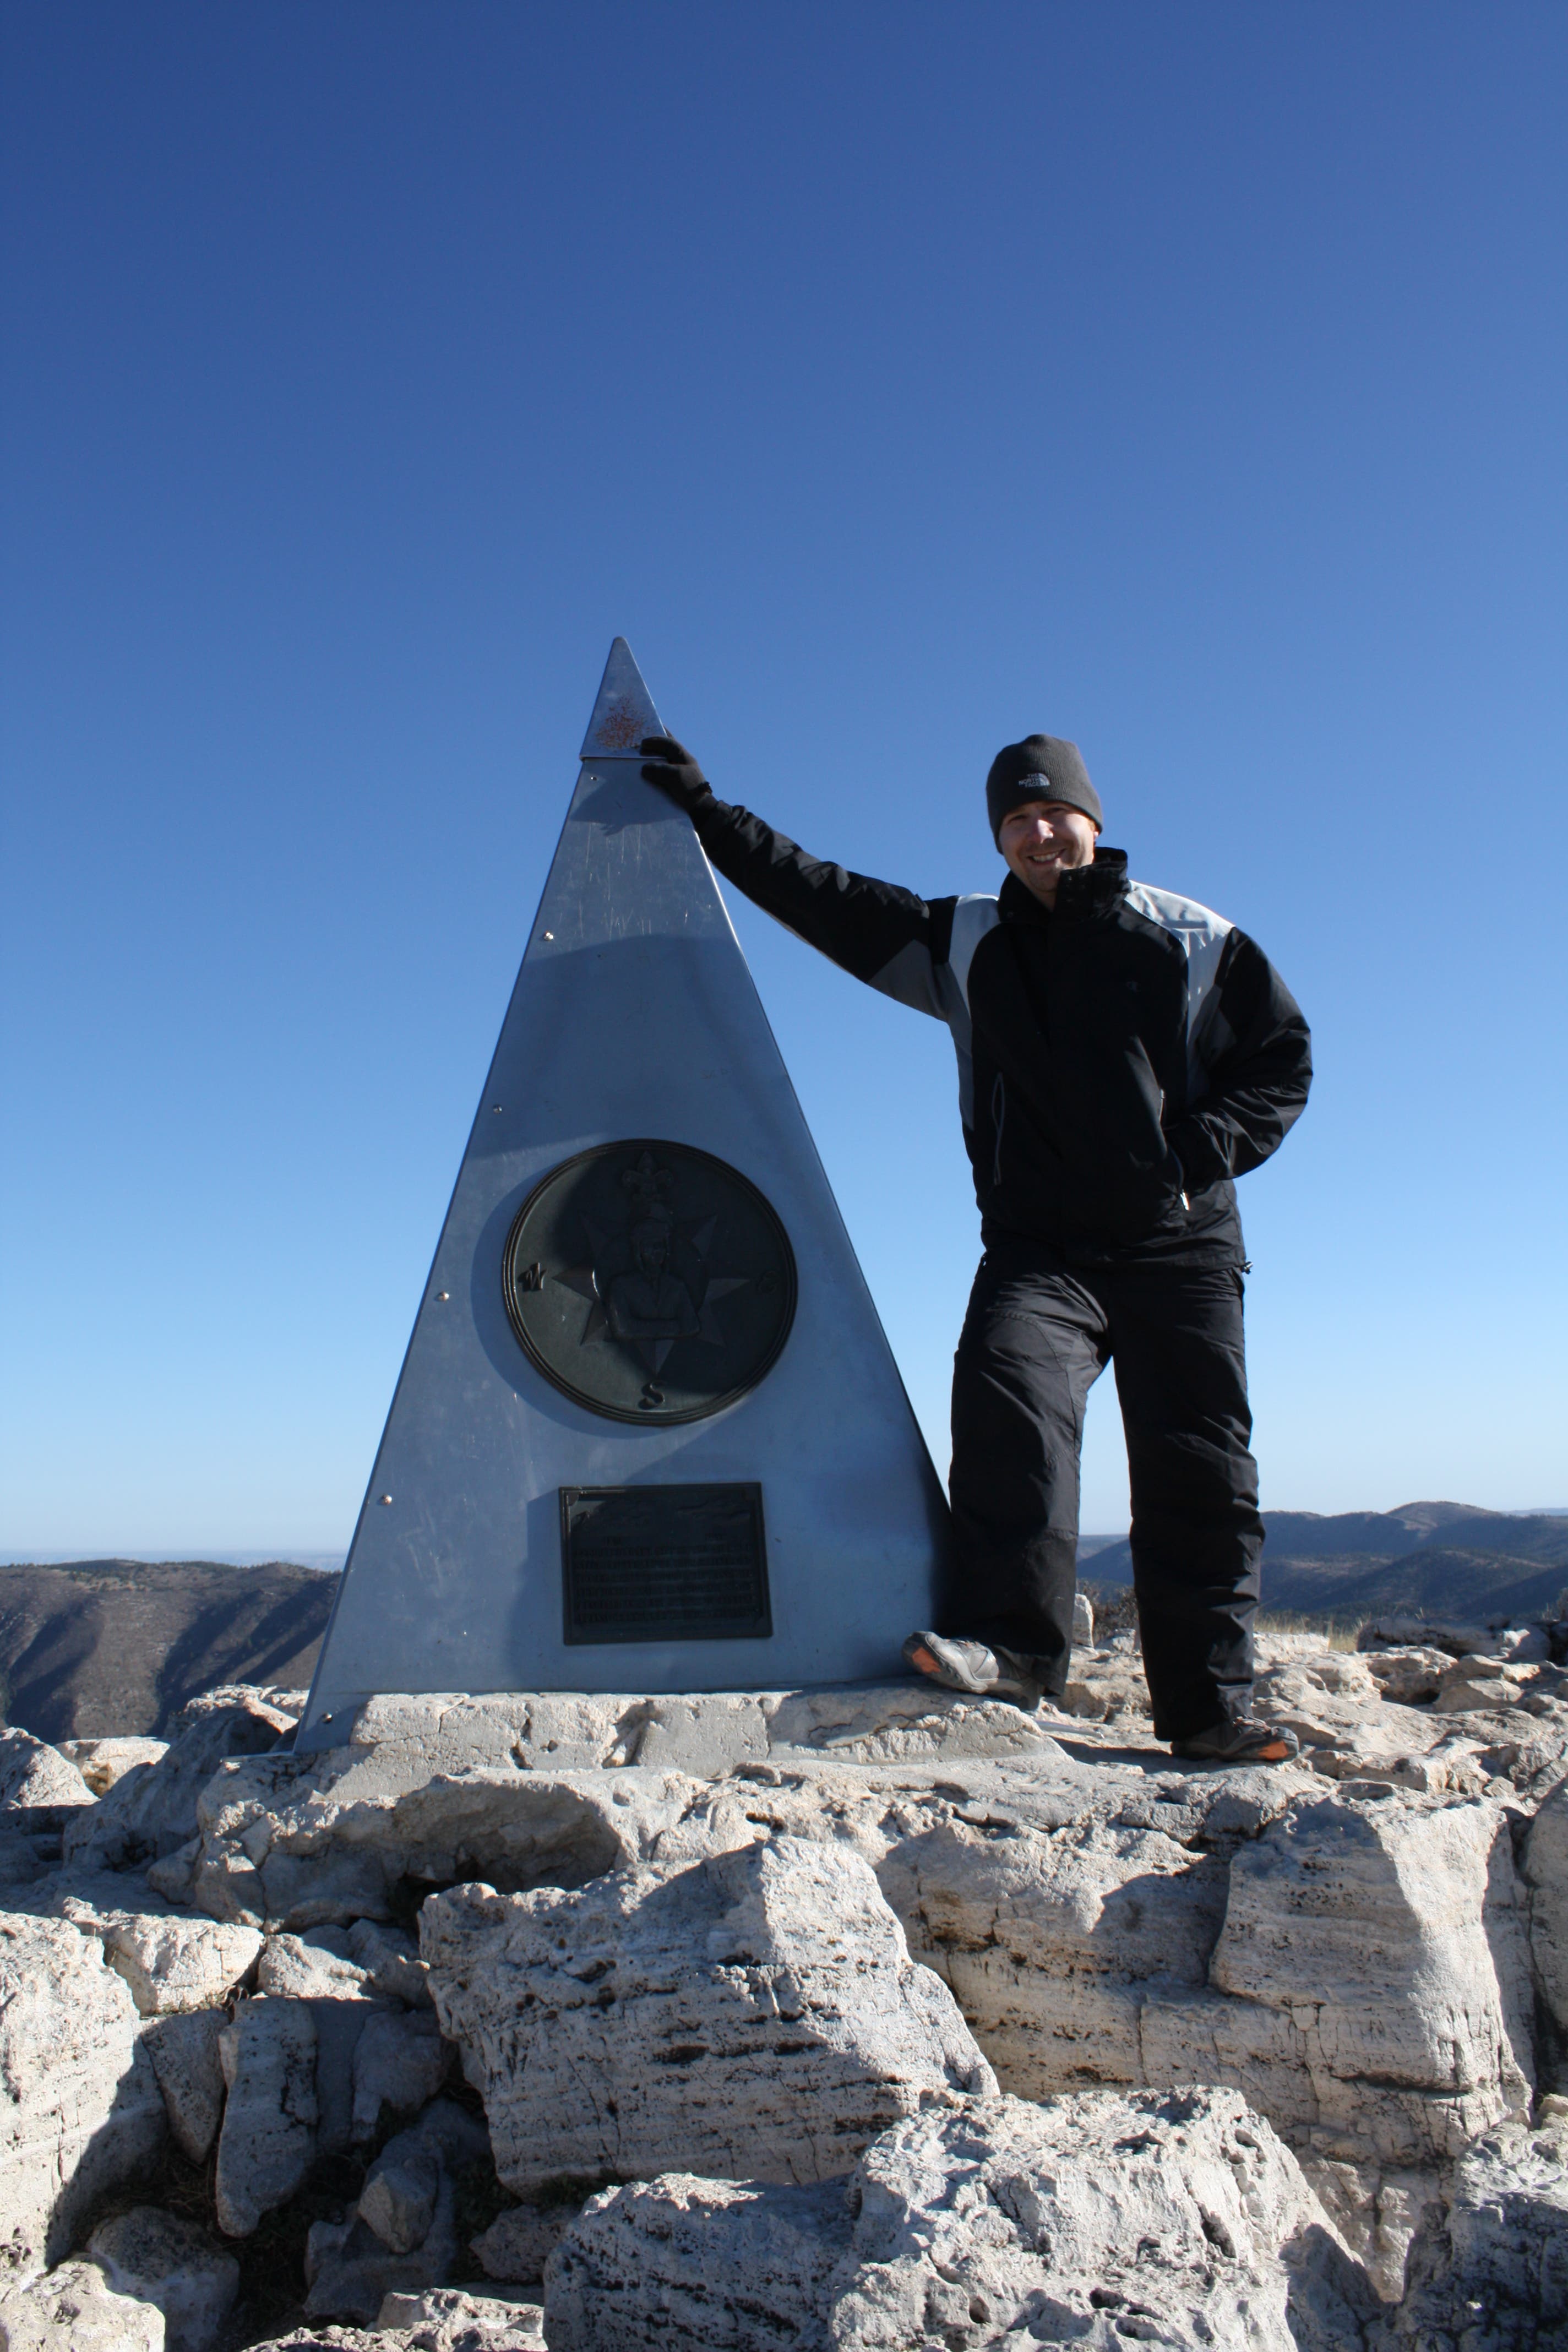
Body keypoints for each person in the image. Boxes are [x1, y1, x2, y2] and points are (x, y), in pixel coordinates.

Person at [641, 728, 1312, 1765]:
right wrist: (710, 813)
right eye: (1017, 819)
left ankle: (1207, 1707)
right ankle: (1013, 1648)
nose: (1041, 834)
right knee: (1010, 1405)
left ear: (1094, 820)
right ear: (998, 837)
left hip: (1178, 1246)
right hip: (1039, 1248)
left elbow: (1281, 1058)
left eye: (1056, 814)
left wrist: (1193, 1152)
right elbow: (822, 895)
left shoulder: (1190, 936)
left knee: (1198, 1463)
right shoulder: (962, 940)